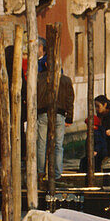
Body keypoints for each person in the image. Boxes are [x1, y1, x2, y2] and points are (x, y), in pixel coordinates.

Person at [36, 39, 74, 180]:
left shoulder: (38, 78)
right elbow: (70, 100)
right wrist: (69, 118)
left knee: (41, 144)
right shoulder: (65, 80)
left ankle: (40, 172)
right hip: (59, 115)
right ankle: (57, 175)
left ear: (46, 64)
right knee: (58, 145)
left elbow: (34, 96)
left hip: (43, 114)